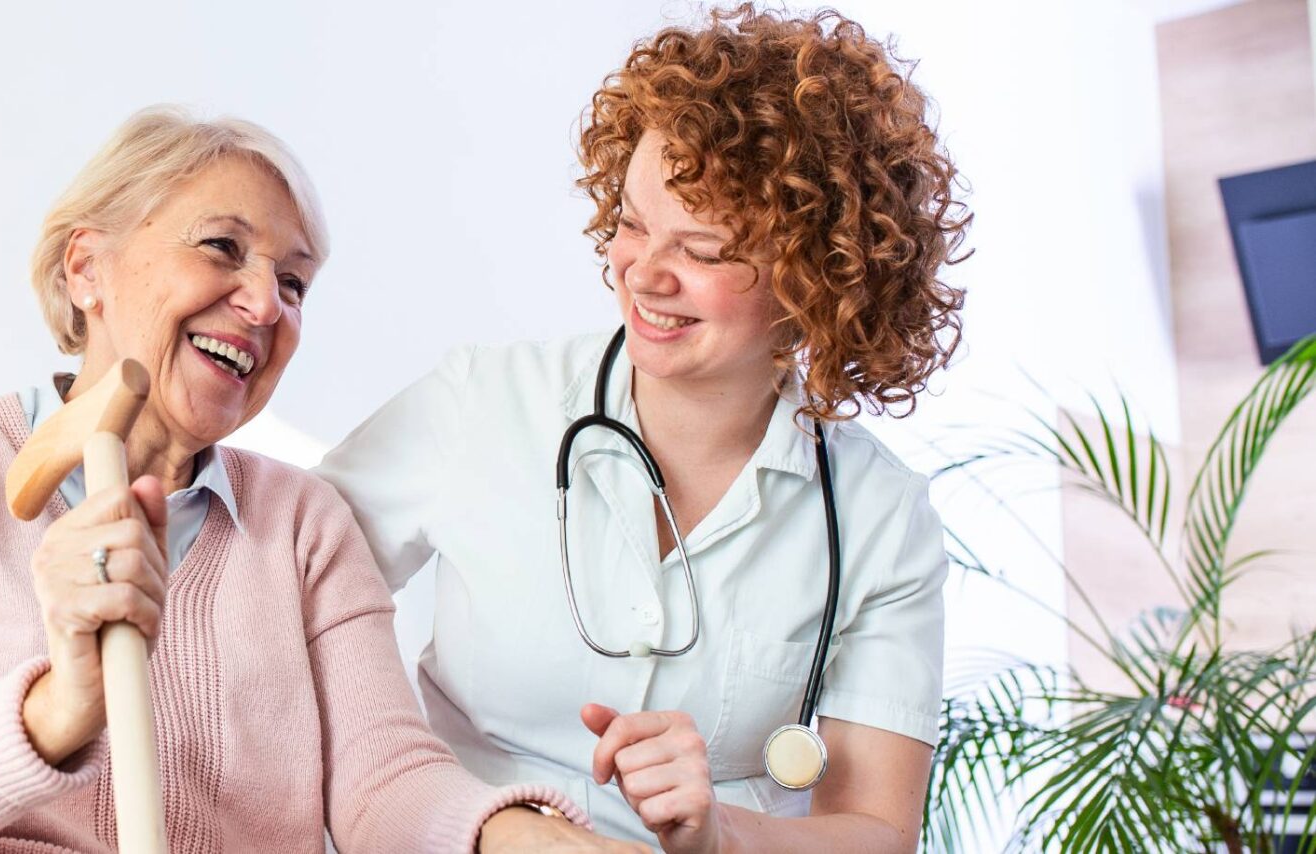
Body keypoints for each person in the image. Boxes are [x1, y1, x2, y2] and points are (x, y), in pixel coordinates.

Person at [0, 106, 631, 853]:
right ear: (87, 269)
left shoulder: (303, 523)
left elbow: (386, 782)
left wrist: (524, 837)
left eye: (294, 282)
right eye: (222, 247)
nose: (266, 305)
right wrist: (56, 709)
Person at [315, 6, 968, 851]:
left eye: (702, 249)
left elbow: (877, 828)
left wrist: (717, 834)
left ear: (817, 276)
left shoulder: (880, 518)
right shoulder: (483, 404)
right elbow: (279, 578)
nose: (645, 276)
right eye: (630, 223)